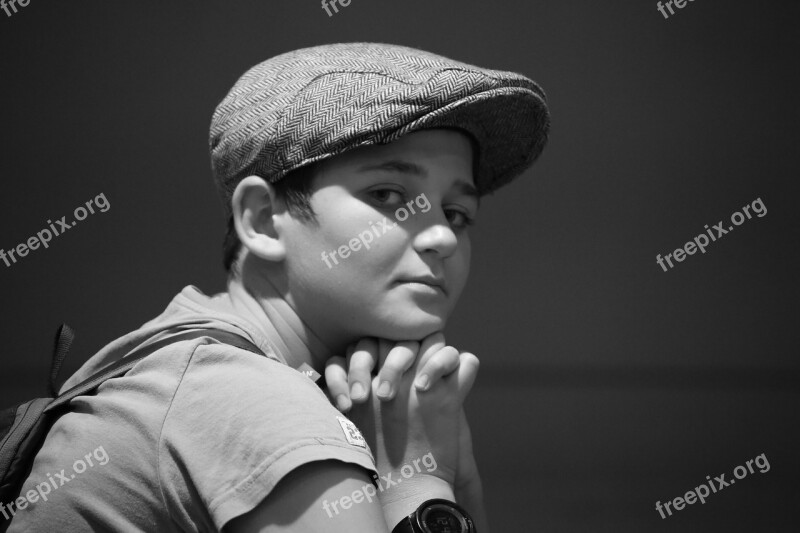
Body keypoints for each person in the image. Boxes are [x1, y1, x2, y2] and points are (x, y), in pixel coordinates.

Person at [6, 42, 549, 532]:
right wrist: (417, 480)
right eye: (387, 194)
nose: (440, 235)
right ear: (263, 219)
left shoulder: (190, 357)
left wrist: (456, 464)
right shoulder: (255, 402)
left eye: (457, 212)